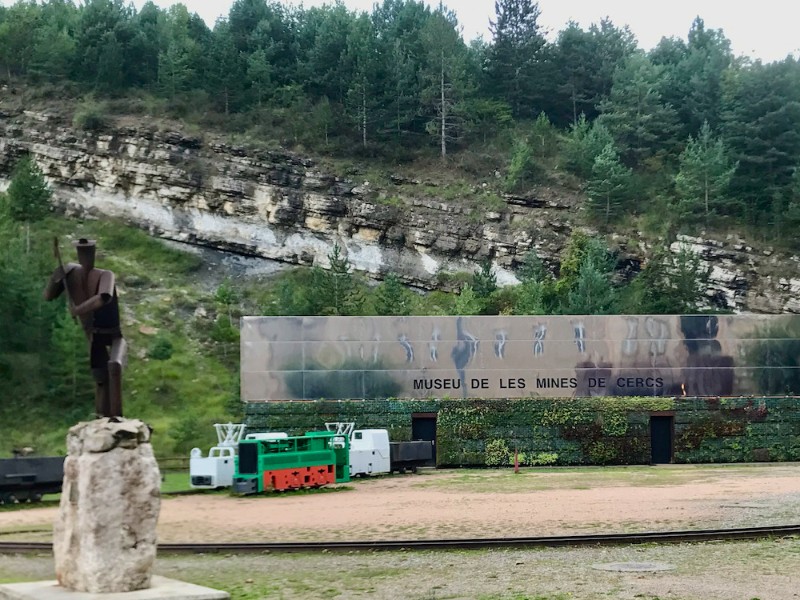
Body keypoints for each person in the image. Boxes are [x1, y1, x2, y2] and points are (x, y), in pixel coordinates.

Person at [44, 238, 127, 418]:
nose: (86, 257)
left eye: (88, 253)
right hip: (93, 336)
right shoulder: (71, 273)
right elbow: (48, 296)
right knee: (100, 379)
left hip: (114, 335)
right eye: (83, 253)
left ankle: (117, 419)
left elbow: (103, 297)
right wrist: (56, 277)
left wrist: (78, 310)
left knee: (114, 366)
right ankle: (101, 419)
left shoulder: (106, 275)